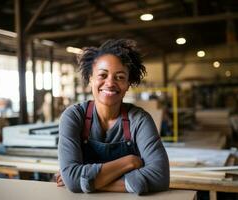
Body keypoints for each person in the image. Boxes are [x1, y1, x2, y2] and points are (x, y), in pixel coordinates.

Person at [56, 39, 169, 194]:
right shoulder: (74, 117)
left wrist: (86, 181)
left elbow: (160, 178)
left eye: (120, 77)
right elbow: (72, 180)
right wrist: (130, 162)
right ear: (90, 78)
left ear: (128, 83)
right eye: (103, 75)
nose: (110, 83)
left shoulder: (139, 120)